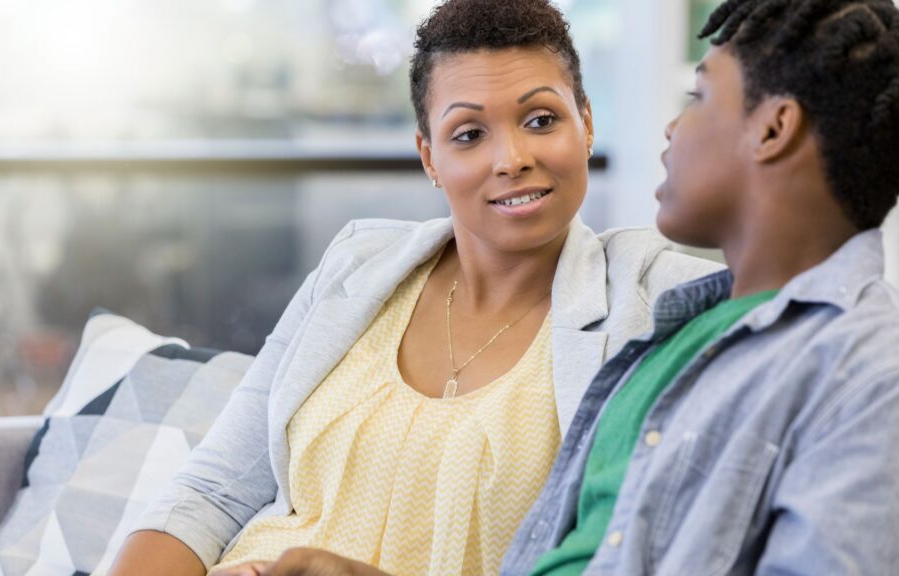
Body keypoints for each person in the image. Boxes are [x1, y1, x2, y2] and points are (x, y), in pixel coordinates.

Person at [106, 1, 718, 575]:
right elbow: (211, 490)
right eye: (469, 134)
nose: (511, 158)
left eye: (540, 120)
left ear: (585, 124)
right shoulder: (356, 266)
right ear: (429, 156)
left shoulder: (653, 295)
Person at [501, 1, 899, 575]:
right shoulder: (683, 324)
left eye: (698, 98)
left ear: (774, 128)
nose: (673, 127)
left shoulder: (887, 370)